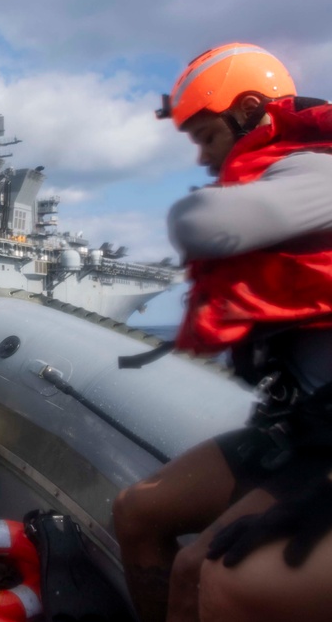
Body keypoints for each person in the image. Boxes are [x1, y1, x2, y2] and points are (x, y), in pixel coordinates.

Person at [112, 42, 332, 622]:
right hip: (302, 428)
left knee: (208, 576)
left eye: (209, 137)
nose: (206, 160)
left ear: (253, 109)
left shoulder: (316, 165)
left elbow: (205, 224)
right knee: (137, 512)